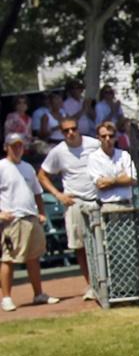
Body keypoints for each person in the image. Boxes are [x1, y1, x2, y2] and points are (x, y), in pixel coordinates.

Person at [36, 117, 100, 300]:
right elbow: (42, 175)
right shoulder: (57, 152)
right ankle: (91, 285)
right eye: (66, 131)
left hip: (97, 200)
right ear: (62, 133)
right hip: (74, 201)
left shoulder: (94, 144)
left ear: (78, 129)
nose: (71, 133)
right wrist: (58, 195)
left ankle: (106, 282)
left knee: (100, 244)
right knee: (80, 246)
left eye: (73, 129)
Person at [0, 133, 60, 311]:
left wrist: (41, 213)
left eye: (19, 145)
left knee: (34, 258)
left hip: (31, 217)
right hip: (12, 220)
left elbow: (37, 192)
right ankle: (7, 298)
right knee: (8, 259)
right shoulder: (1, 167)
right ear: (6, 148)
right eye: (13, 146)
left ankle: (38, 294)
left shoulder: (27, 167)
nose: (17, 149)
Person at [87, 121, 137, 208]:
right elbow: (100, 185)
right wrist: (121, 179)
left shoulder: (124, 155)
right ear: (98, 138)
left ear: (116, 137)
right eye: (103, 136)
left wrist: (110, 181)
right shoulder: (94, 158)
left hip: (127, 204)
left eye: (111, 136)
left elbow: (132, 179)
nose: (107, 139)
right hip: (107, 205)